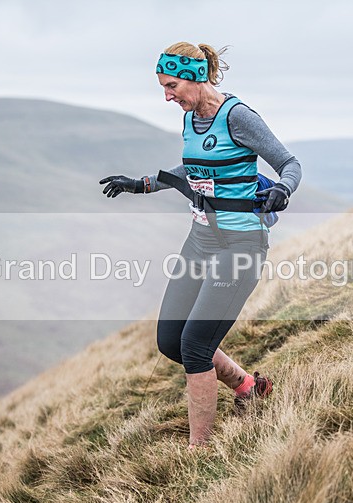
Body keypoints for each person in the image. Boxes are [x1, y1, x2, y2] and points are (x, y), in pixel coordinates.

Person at [99, 42, 302, 449]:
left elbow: (289, 163)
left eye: (171, 85)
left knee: (194, 346)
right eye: (163, 87)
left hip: (240, 243)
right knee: (171, 341)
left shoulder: (238, 116)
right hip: (200, 239)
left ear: (194, 76)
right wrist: (140, 184)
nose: (167, 96)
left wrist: (283, 188)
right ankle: (247, 386)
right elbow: (191, 169)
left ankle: (199, 451)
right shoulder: (191, 118)